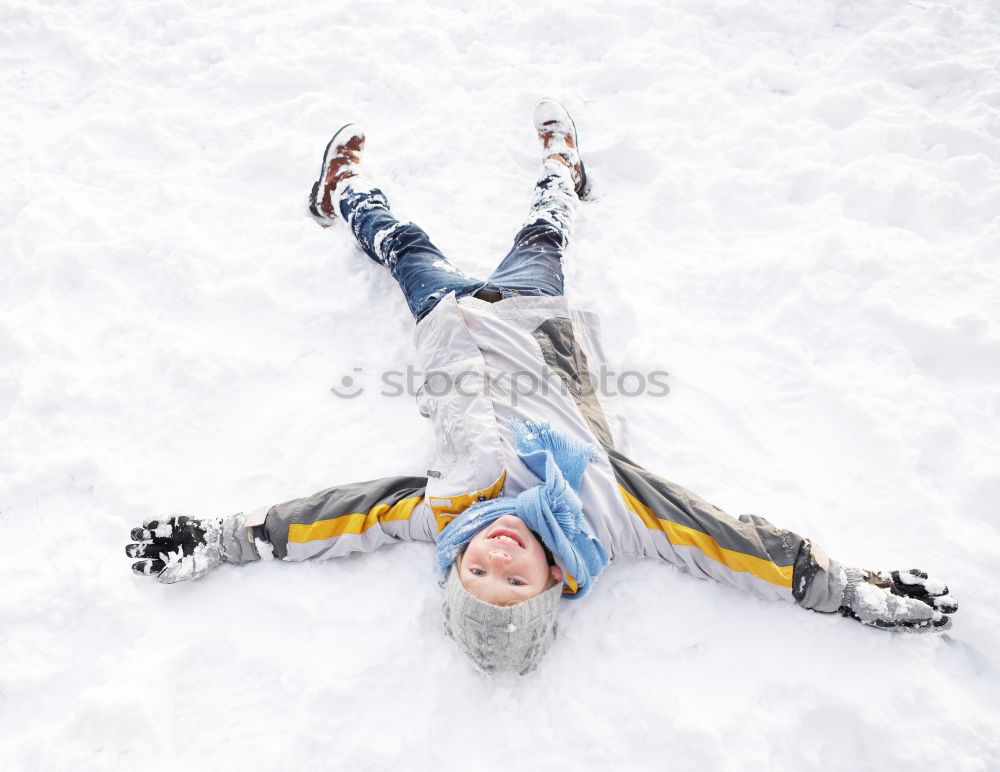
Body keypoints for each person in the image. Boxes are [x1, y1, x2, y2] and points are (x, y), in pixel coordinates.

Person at [126, 99, 958, 675]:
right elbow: (729, 541)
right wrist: (848, 589)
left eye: (477, 576)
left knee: (403, 244)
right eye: (513, 582)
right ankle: (563, 167)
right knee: (543, 232)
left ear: (454, 569)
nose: (496, 560)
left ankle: (343, 192)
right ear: (555, 581)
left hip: (448, 322)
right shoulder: (612, 514)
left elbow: (335, 515)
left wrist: (225, 537)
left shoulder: (443, 513)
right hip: (533, 321)